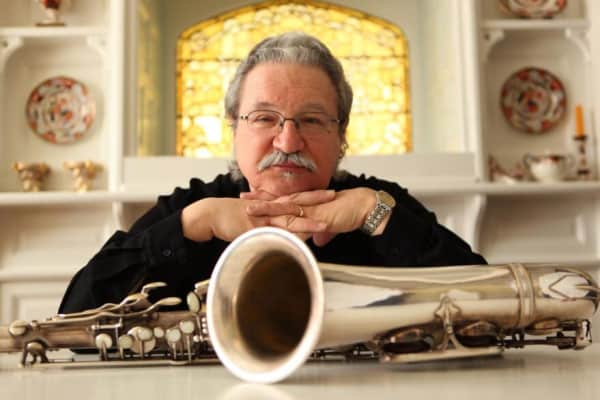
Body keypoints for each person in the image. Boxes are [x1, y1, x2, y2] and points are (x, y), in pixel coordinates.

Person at [58, 32, 486, 314]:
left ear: (342, 136)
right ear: (234, 129)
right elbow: (74, 313)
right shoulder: (190, 208)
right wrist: (193, 224)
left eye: (312, 120)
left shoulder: (381, 203)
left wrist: (374, 215)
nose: (288, 141)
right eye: (265, 118)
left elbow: (487, 300)